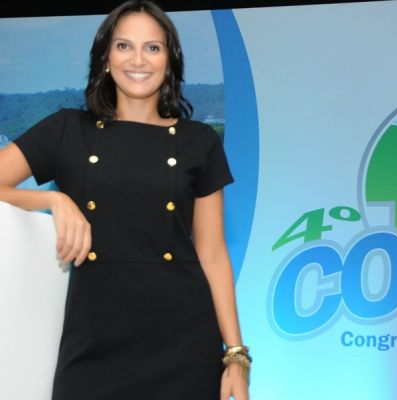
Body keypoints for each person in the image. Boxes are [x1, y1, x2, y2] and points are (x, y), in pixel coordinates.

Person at [0, 1, 250, 399]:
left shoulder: (199, 141)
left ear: (170, 60)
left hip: (183, 342)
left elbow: (214, 253)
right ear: (105, 57)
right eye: (124, 46)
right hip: (93, 342)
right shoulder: (66, 129)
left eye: (153, 47)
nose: (138, 59)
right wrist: (56, 202)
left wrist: (236, 355)